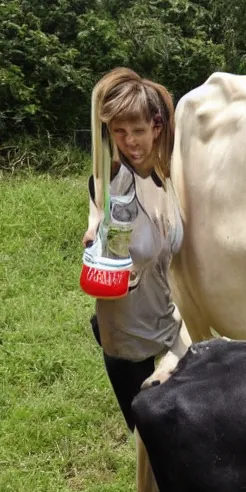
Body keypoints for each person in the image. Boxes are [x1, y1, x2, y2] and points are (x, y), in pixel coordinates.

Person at [83, 68, 188, 435]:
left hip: (173, 323)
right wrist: (95, 227)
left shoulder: (171, 175)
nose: (130, 141)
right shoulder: (113, 181)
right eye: (119, 132)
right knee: (148, 435)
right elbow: (98, 204)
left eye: (138, 131)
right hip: (125, 331)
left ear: (156, 128)